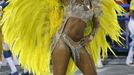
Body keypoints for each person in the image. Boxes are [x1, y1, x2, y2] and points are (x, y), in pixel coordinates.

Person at [1, 0, 124, 75]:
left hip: (79, 44)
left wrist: (90, 37)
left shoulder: (95, 2)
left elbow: (97, 24)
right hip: (62, 41)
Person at [126, 0, 134, 66]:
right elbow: (131, 13)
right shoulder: (133, 1)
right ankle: (129, 60)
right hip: (133, 23)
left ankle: (129, 60)